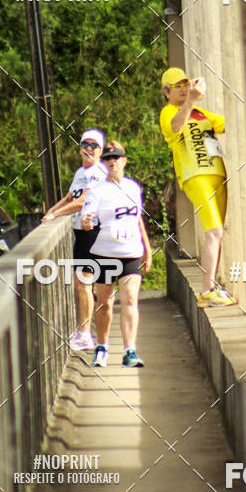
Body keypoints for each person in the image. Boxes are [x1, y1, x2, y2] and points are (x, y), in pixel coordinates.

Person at [159, 67, 236, 307]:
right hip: (196, 175)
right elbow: (175, 126)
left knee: (219, 232)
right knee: (213, 232)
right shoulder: (168, 112)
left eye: (185, 84)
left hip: (217, 173)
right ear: (166, 92)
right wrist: (191, 100)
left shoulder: (201, 112)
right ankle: (206, 290)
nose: (182, 89)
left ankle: (213, 287)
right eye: (177, 86)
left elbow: (227, 124)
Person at [81, 141, 152, 368]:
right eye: (108, 159)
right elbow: (88, 215)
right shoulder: (98, 191)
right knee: (105, 302)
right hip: (105, 254)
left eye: (117, 158)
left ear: (124, 161)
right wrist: (85, 221)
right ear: (104, 163)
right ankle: (101, 347)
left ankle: (129, 351)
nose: (112, 162)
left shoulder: (133, 188)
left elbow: (137, 219)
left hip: (131, 252)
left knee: (130, 299)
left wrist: (147, 249)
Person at [42, 129, 107, 350]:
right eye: (85, 144)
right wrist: (50, 213)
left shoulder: (98, 172)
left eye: (94, 146)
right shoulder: (81, 171)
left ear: (100, 150)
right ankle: (84, 331)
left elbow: (83, 202)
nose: (89, 149)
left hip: (92, 231)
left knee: (84, 283)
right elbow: (70, 198)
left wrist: (56, 215)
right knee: (82, 283)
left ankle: (85, 334)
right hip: (80, 231)